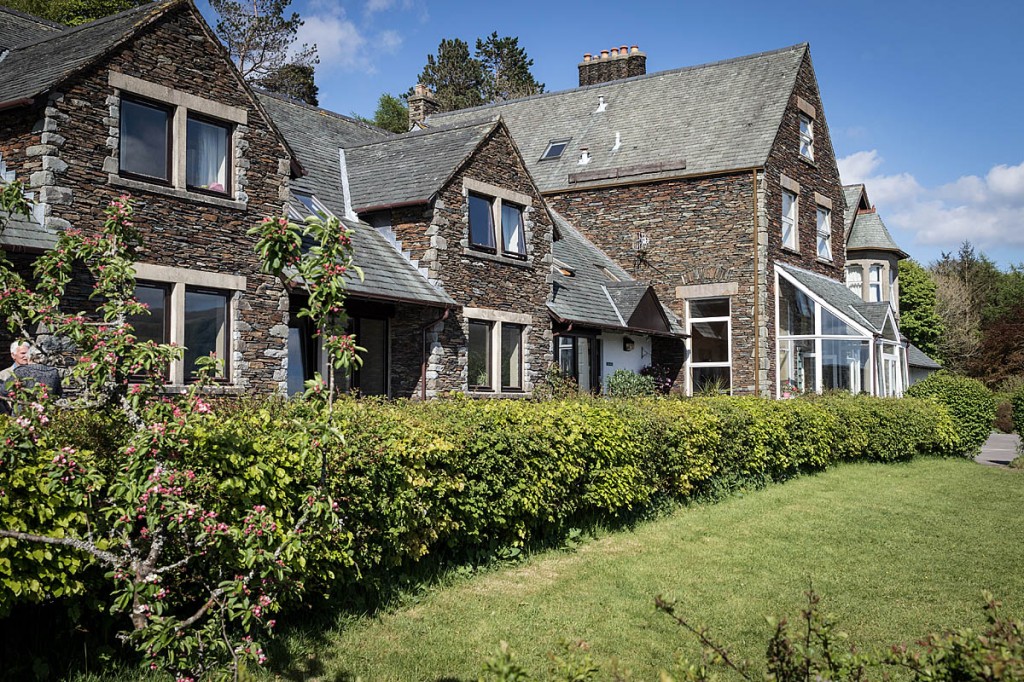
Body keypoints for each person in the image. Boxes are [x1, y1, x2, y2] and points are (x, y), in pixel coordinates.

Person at [1, 341, 62, 413]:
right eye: (23, 353)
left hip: (23, 414)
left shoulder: (21, 371)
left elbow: (3, 390)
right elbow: (58, 394)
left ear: (30, 356)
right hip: (45, 412)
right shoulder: (54, 372)